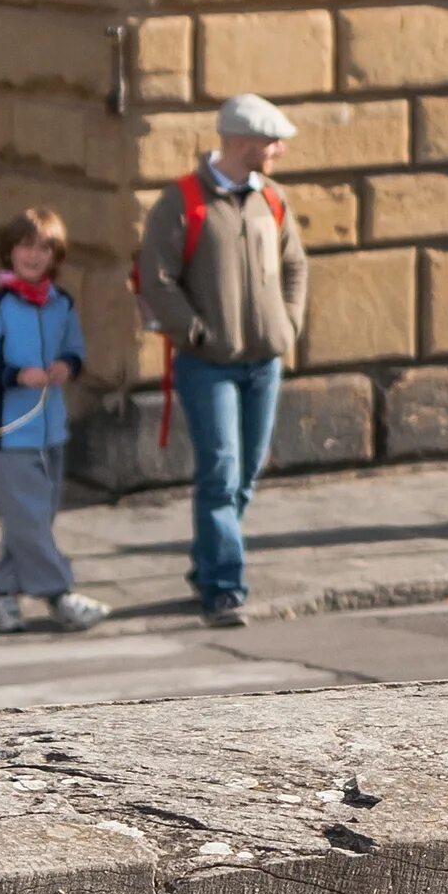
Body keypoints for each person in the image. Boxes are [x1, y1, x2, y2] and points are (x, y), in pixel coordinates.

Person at [136, 93, 308, 629]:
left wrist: (289, 324)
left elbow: (295, 265)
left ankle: (207, 563)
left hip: (264, 361)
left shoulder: (271, 199)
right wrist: (193, 331)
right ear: (238, 142)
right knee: (220, 471)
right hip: (207, 363)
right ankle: (224, 587)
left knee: (246, 474)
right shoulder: (182, 201)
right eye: (269, 142)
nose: (277, 150)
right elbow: (154, 275)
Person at [0, 207, 109, 633]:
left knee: (32, 518)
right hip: (9, 433)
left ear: (55, 256)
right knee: (27, 516)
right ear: (9, 252)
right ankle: (60, 594)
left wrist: (68, 365)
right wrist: (15, 375)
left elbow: (74, 349)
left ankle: (3, 594)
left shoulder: (62, 303)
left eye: (44, 248)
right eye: (26, 246)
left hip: (52, 428)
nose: (34, 255)